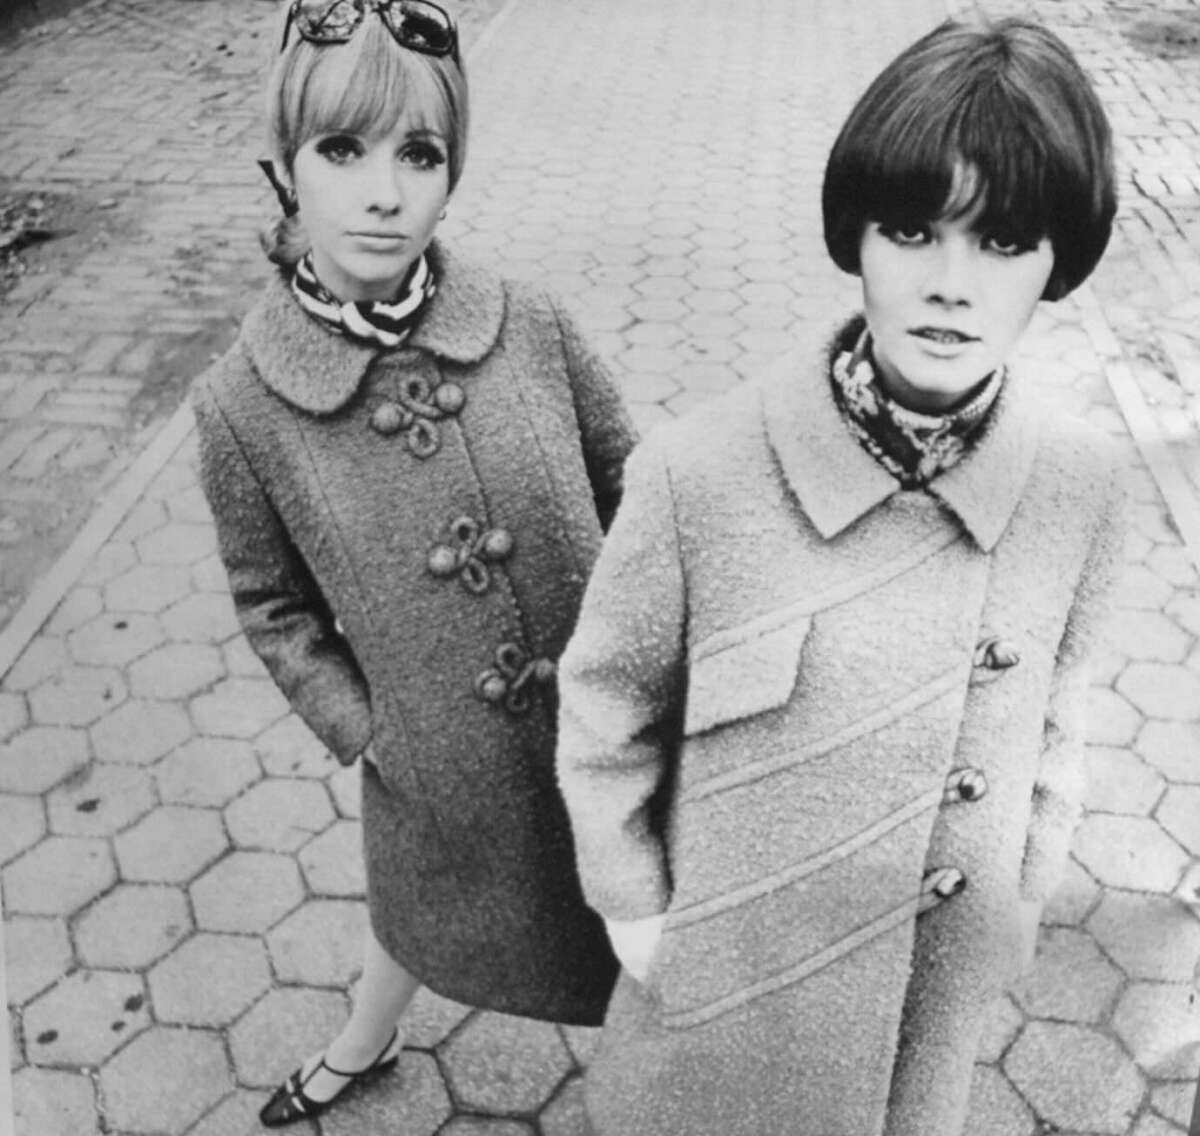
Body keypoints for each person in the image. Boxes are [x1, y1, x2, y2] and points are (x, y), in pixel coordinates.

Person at [555, 15, 1122, 1136]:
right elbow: (605, 699)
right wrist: (635, 912)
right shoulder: (697, 474)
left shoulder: (1081, 489)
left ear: (1058, 260)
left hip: (924, 1000)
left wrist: (1022, 885)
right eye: (912, 230)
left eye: (1005, 242)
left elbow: (1060, 711)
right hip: (729, 990)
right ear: (853, 235)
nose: (952, 284)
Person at [191, 1, 631, 1126]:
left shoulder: (530, 323)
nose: (384, 192)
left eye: (419, 153)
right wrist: (368, 730)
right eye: (343, 148)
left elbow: (635, 486)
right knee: (423, 907)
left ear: (451, 173)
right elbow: (272, 605)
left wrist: (659, 654)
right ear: (283, 168)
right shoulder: (242, 405)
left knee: (639, 949)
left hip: (608, 731)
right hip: (434, 766)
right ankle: (364, 1040)